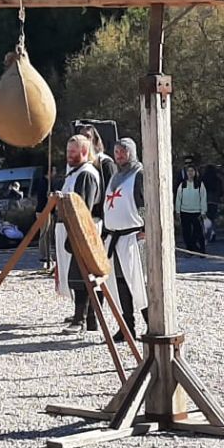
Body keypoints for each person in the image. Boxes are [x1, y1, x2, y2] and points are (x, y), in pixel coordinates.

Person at [54, 134, 104, 333]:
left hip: (84, 231)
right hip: (74, 230)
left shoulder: (87, 174)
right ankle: (87, 319)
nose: (69, 155)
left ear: (84, 151)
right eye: (67, 151)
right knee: (77, 275)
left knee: (83, 276)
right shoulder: (74, 173)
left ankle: (81, 319)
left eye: (73, 151)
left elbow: (83, 208)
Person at [101, 138, 148, 341]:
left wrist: (148, 229)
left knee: (140, 283)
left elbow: (146, 203)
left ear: (132, 152)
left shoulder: (140, 174)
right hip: (115, 239)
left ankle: (151, 325)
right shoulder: (114, 177)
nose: (119, 155)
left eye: (123, 151)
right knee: (119, 283)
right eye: (117, 151)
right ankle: (126, 327)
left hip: (134, 238)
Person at [176, 165, 208, 254]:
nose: (190, 173)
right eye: (188, 171)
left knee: (198, 232)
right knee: (186, 233)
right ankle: (190, 250)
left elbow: (203, 197)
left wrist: (203, 211)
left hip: (196, 212)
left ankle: (202, 251)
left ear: (195, 172)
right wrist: (177, 211)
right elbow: (178, 198)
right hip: (185, 212)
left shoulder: (199, 184)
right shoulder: (182, 184)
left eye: (192, 171)